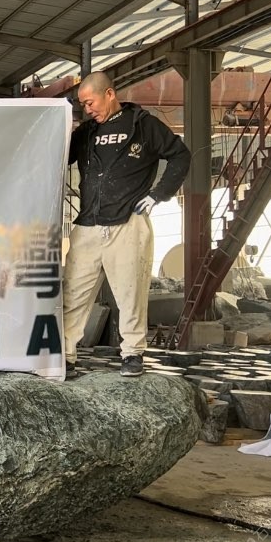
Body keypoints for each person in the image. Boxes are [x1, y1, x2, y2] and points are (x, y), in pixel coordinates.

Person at [63, 71, 190, 378]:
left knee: (130, 292)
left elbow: (180, 155)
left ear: (109, 94)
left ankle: (132, 353)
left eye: (90, 102)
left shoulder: (143, 125)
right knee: (72, 293)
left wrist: (158, 194)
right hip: (88, 224)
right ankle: (64, 355)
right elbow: (60, 157)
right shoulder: (87, 132)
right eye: (82, 105)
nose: (87, 110)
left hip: (127, 224)